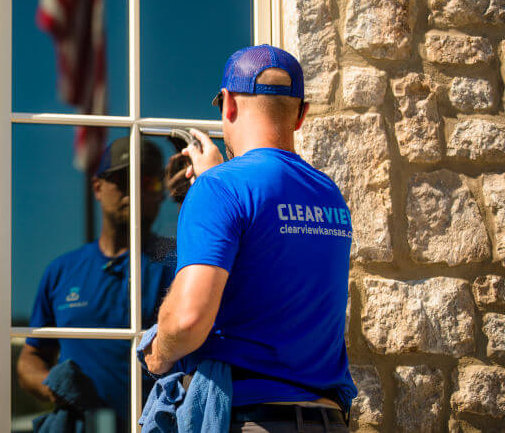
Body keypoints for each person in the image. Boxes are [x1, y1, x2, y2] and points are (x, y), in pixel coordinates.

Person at [142, 45, 356, 432]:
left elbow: (189, 320)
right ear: (301, 114)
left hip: (253, 420)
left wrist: (156, 355)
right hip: (327, 419)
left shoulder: (221, 189)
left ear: (228, 106)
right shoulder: (329, 195)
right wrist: (218, 179)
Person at [17, 137, 176, 429]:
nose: (135, 190)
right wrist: (53, 385)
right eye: (122, 179)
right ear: (97, 188)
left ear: (161, 193)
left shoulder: (178, 262)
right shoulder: (63, 271)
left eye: (148, 181)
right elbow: (31, 356)